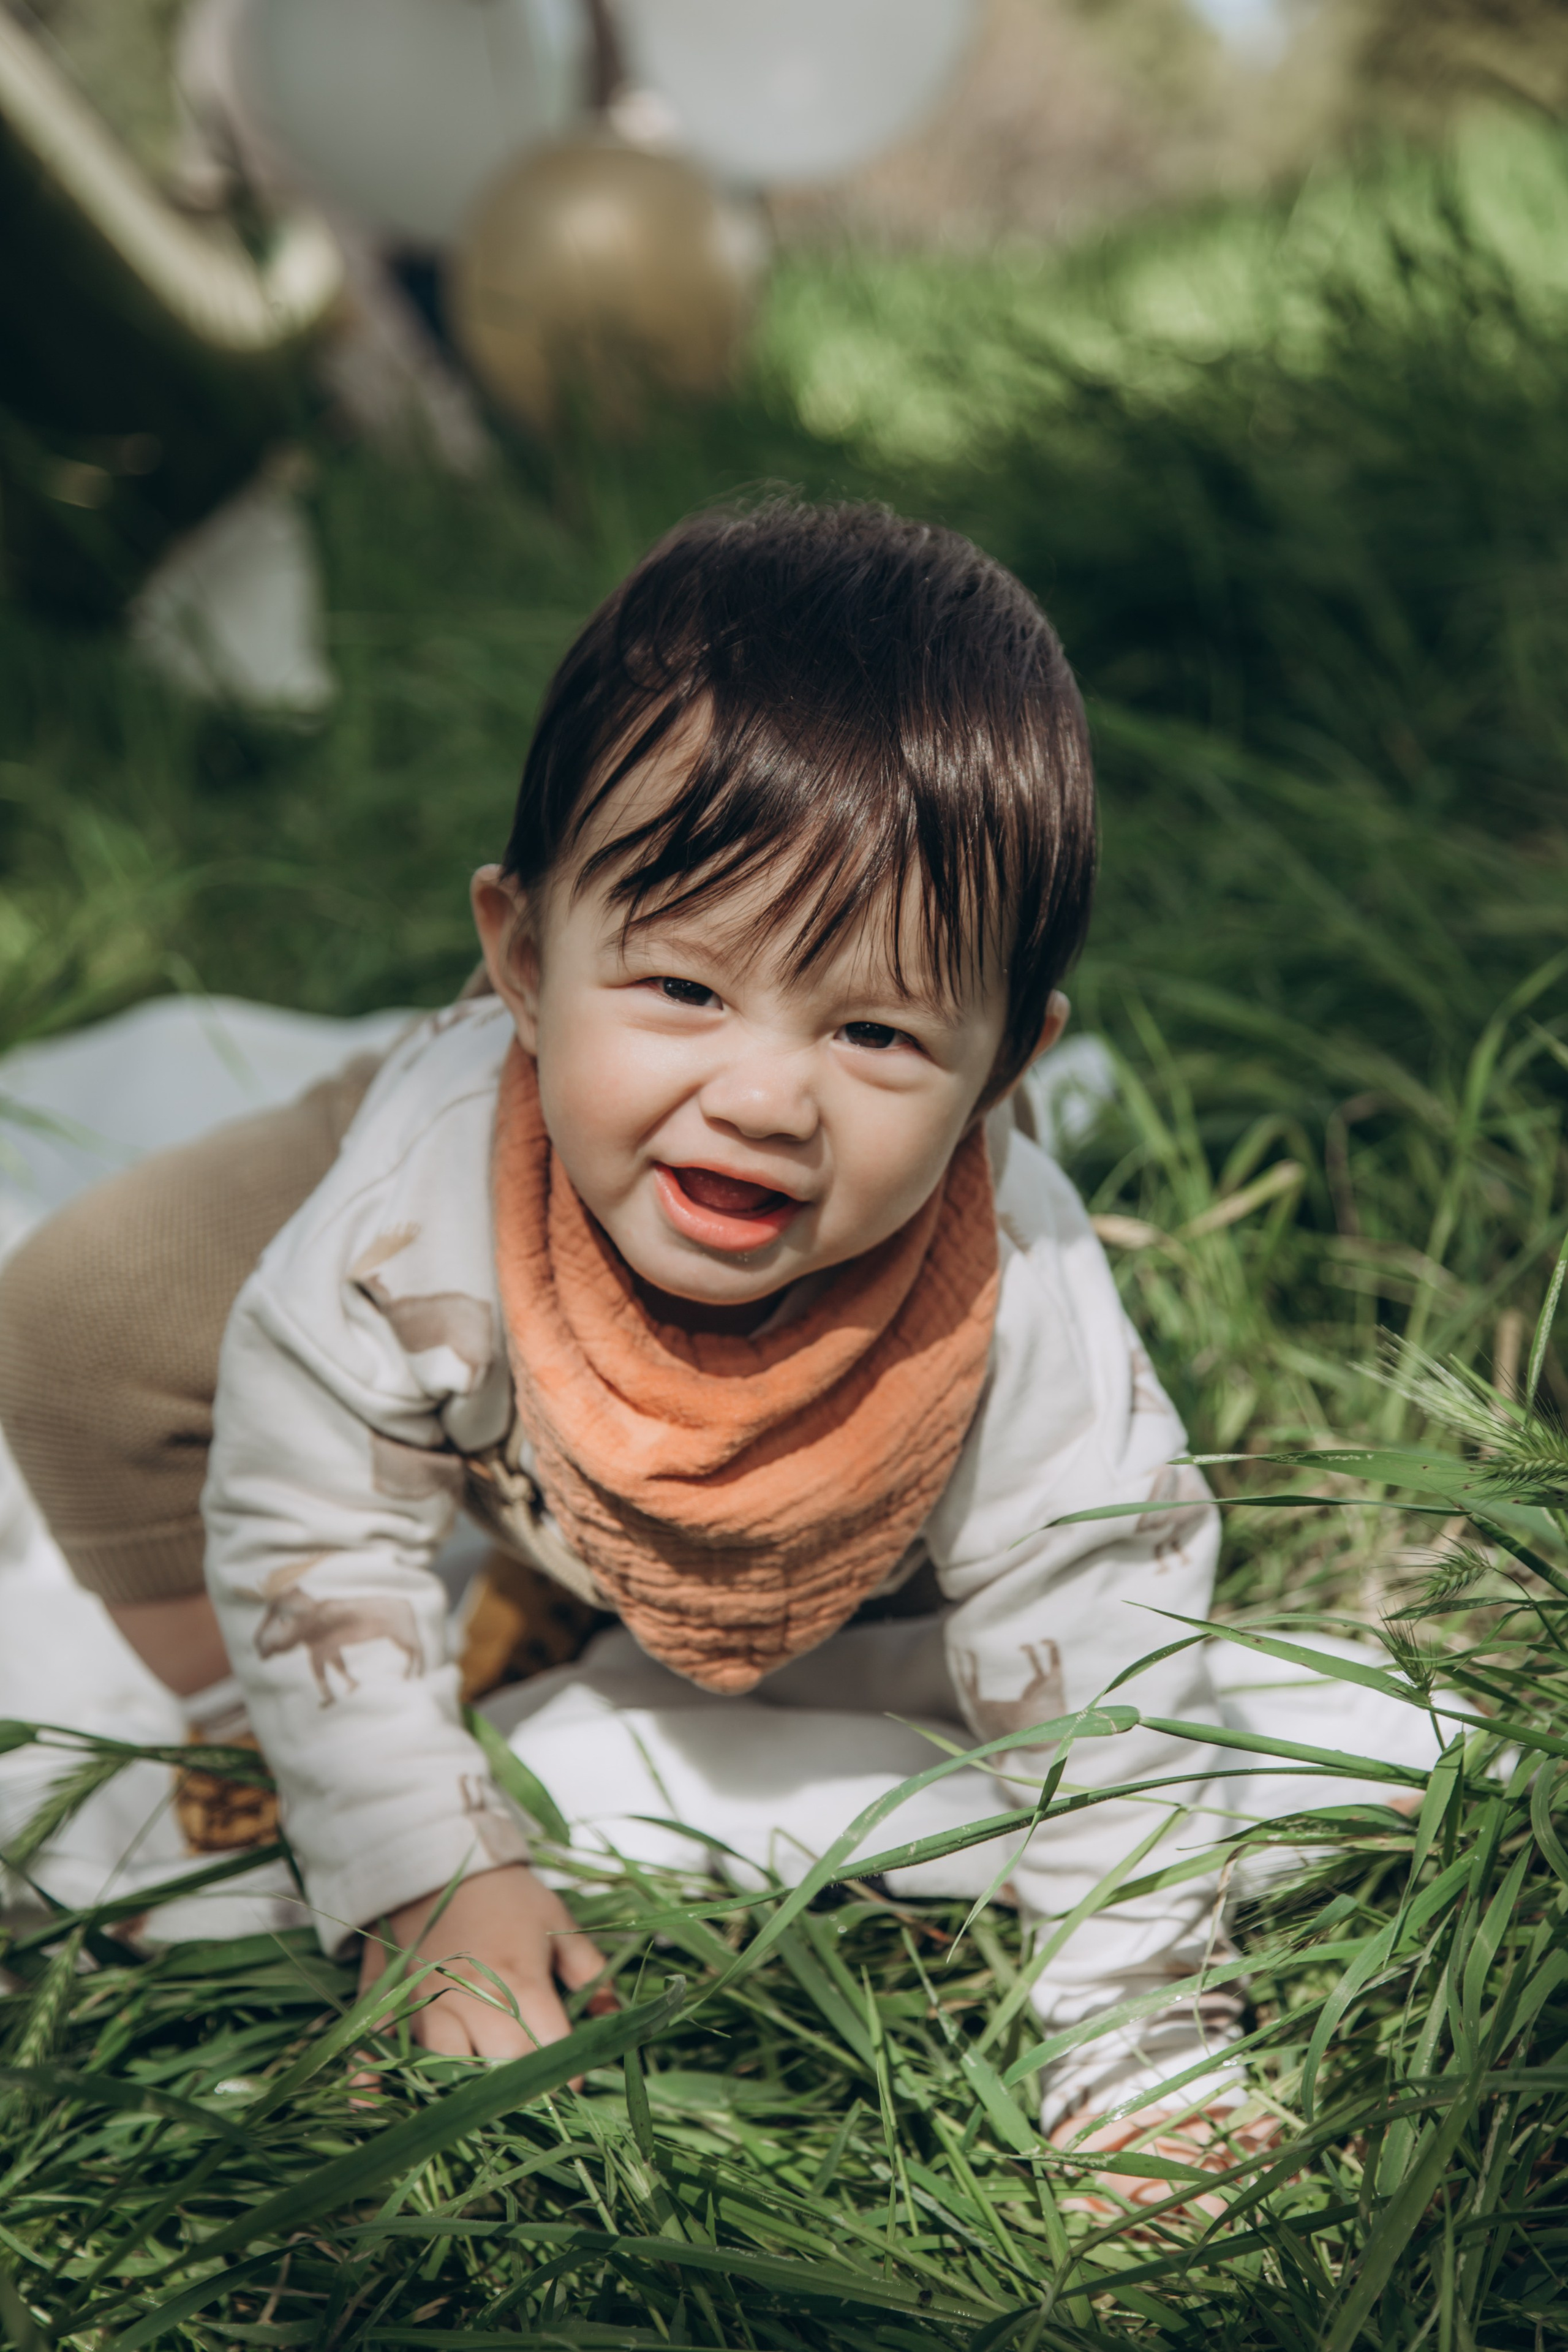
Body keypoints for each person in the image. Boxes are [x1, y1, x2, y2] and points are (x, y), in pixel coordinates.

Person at [0, 500, 1238, 2150]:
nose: (764, 1097)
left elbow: (1118, 1665)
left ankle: (581, 1546)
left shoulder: (1010, 1306)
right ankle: (253, 1737)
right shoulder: (405, 1223)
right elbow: (308, 1520)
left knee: (957, 1592)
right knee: (83, 1320)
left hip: (653, 1217)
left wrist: (1143, 2054)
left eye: (874, 1030)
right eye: (687, 988)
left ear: (1005, 1073)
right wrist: (423, 1865)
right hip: (497, 1153)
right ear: (517, 954)